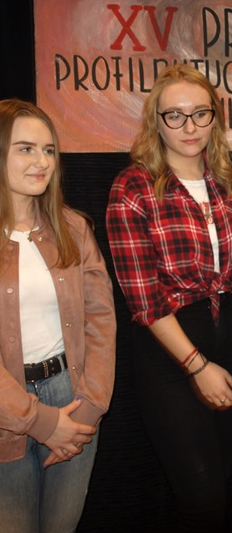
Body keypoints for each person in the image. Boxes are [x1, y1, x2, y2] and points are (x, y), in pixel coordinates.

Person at [106, 63, 232, 532]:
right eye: (175, 115)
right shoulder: (133, 187)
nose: (189, 127)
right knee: (202, 497)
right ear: (156, 121)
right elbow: (143, 299)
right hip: (170, 349)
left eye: (200, 113)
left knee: (220, 486)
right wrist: (196, 366)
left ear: (215, 117)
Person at [0, 99, 116, 533]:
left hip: (73, 396)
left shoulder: (73, 228)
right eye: (25, 149)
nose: (42, 162)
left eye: (49, 150)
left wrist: (90, 409)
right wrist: (40, 422)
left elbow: (100, 321)